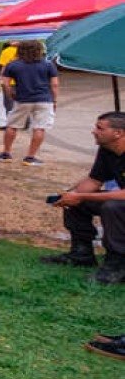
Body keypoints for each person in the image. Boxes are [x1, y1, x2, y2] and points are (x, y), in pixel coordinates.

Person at [41, 112, 125, 286]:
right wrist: (70, 195)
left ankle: (117, 265)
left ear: (118, 133)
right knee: (78, 202)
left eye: (100, 128)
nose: (93, 131)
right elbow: (94, 180)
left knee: (113, 207)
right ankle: (82, 254)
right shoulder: (107, 149)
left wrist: (80, 195)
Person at [0, 40, 59, 165]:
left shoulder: (13, 65)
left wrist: (10, 94)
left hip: (22, 99)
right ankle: (30, 157)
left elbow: (5, 83)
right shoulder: (48, 65)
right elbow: (54, 84)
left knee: (12, 125)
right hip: (44, 99)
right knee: (39, 127)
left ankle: (6, 153)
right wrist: (54, 100)